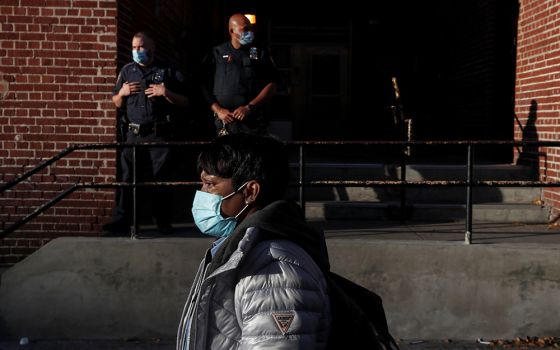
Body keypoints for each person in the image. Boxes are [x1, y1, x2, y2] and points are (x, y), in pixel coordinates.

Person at [176, 133, 331, 349]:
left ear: (250, 191)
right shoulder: (240, 249)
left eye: (210, 185)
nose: (202, 194)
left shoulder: (274, 267)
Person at [103, 31, 189, 234]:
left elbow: (186, 101)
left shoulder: (168, 70)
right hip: (134, 135)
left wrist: (165, 92)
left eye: (140, 47)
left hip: (159, 135)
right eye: (133, 47)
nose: (136, 51)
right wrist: (122, 94)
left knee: (161, 180)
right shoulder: (127, 71)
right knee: (128, 178)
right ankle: (123, 221)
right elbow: (115, 101)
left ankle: (162, 222)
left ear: (152, 48)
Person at [201, 13, 279, 136]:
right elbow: (202, 85)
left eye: (251, 29)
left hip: (252, 123)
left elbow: (272, 85)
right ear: (231, 31)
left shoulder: (258, 53)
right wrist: (219, 110)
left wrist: (249, 108)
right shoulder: (216, 53)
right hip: (224, 122)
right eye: (245, 29)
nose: (250, 33)